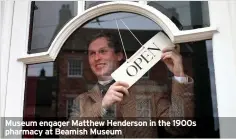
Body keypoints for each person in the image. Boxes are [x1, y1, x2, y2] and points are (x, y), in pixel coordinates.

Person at [64, 32, 194, 138]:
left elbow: (179, 126)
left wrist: (179, 75)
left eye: (103, 51)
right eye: (92, 53)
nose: (97, 58)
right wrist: (102, 106)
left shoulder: (149, 90)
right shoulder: (82, 100)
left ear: (119, 55)